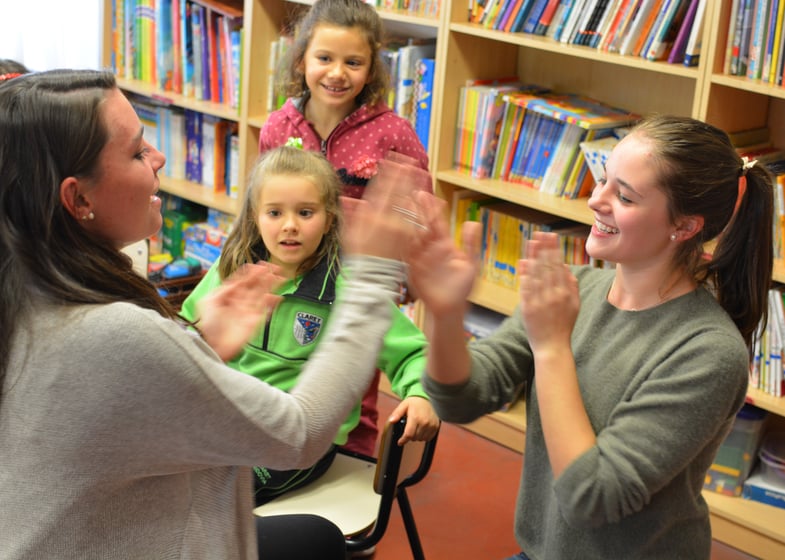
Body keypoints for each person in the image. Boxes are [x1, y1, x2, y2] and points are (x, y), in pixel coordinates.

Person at [0, 68, 432, 559]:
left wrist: (197, 345)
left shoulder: (25, 295)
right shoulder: (109, 331)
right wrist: (375, 273)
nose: (159, 156)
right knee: (318, 541)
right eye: (139, 150)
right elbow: (299, 434)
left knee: (311, 537)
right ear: (78, 199)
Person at [409, 115, 774, 559]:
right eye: (602, 180)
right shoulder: (574, 288)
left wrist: (551, 347)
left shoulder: (708, 352)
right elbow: (460, 400)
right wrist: (446, 317)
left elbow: (592, 496)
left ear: (685, 226)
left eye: (624, 195)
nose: (596, 200)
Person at [180, 145, 439, 505]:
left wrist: (419, 394)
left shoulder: (348, 288)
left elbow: (413, 352)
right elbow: (189, 339)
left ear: (330, 218)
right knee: (177, 477)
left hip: (300, 440)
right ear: (255, 217)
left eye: (305, 212)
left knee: (221, 495)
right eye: (274, 212)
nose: (290, 225)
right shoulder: (233, 271)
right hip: (234, 425)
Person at [258, 0, 432, 457]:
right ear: (301, 60)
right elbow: (263, 199)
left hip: (359, 278)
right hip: (295, 269)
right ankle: (291, 442)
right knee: (292, 361)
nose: (337, 73)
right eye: (325, 58)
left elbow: (417, 212)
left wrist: (374, 232)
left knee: (356, 375)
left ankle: (354, 452)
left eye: (353, 62)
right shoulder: (279, 126)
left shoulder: (392, 132)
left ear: (372, 67)